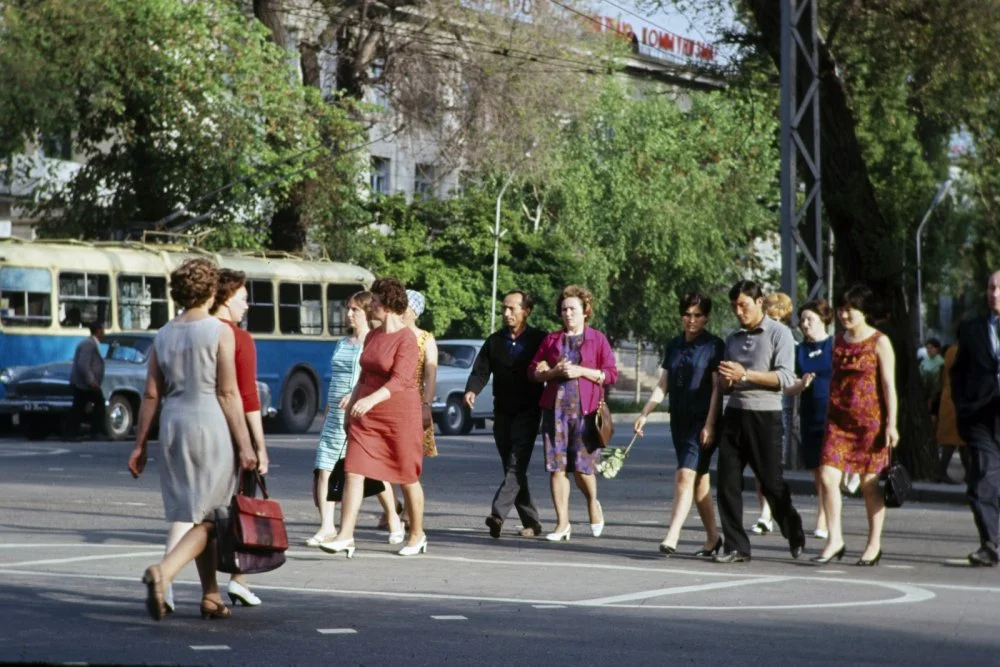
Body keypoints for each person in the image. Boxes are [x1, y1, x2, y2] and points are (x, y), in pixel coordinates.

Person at [128, 258, 257, 621]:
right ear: (212, 290)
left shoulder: (164, 333)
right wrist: (246, 446)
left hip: (173, 424)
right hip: (210, 424)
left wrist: (139, 445)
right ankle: (164, 572)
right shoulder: (220, 331)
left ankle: (210, 596)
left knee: (197, 512)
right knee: (215, 516)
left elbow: (152, 394)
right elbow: (229, 394)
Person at [320, 277, 426, 557]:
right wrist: (353, 405)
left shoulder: (407, 339)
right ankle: (345, 536)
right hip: (366, 416)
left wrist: (369, 400)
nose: (372, 306)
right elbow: (364, 375)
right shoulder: (374, 336)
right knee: (354, 471)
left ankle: (417, 534)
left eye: (376, 301)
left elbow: (400, 380)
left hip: (399, 416)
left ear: (390, 305)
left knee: (407, 476)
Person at [714, 280, 804, 563]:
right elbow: (728, 385)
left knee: (770, 483)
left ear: (760, 302)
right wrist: (728, 381)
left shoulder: (780, 334)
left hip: (765, 416)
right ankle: (736, 546)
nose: (739, 312)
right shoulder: (733, 339)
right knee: (727, 482)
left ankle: (792, 526)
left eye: (744, 305)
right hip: (734, 414)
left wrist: (745, 374)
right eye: (734, 307)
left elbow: (785, 378)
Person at [813, 284, 899, 566]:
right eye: (840, 309)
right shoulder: (837, 341)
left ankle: (874, 543)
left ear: (864, 311)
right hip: (837, 421)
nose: (844, 314)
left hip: (870, 424)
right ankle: (834, 538)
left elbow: (889, 386)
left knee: (869, 485)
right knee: (827, 476)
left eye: (850, 309)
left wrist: (891, 424)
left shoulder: (879, 342)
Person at [634, 291, 723, 556]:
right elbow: (664, 384)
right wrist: (645, 413)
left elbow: (717, 388)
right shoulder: (674, 345)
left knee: (685, 475)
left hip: (702, 420)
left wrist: (710, 424)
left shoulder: (714, 345)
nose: (691, 320)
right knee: (698, 481)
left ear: (706, 317)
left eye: (697, 315)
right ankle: (713, 538)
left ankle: (672, 534)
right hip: (679, 420)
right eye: (687, 314)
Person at [528, 285, 618, 542]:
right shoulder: (552, 340)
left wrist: (581, 371)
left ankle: (592, 502)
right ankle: (562, 524)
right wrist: (550, 372)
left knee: (582, 469)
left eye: (573, 309)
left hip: (586, 413)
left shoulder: (597, 339)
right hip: (554, 412)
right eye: (564, 309)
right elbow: (533, 370)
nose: (567, 314)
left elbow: (611, 374)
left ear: (585, 311)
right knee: (557, 468)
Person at [464, 289, 547, 539]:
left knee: (515, 464)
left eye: (512, 308)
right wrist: (471, 391)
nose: (506, 313)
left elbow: (553, 364)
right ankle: (532, 521)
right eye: (504, 308)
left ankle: (497, 515)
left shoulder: (540, 340)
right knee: (512, 468)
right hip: (502, 412)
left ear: (527, 311)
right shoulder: (495, 340)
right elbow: (481, 371)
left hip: (529, 411)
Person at [951, 270, 1000, 567]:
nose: (994, 293)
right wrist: (963, 405)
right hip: (982, 417)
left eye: (999, 288)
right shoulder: (972, 329)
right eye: (991, 287)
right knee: (983, 478)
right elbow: (958, 372)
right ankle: (991, 542)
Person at [783, 299, 835, 539]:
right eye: (802, 320)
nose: (805, 324)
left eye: (809, 319)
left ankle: (824, 519)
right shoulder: (799, 351)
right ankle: (826, 512)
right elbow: (788, 386)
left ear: (824, 319)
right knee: (818, 472)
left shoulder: (834, 346)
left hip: (834, 415)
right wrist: (801, 384)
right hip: (809, 415)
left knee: (827, 470)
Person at [936, 340, 968, 484]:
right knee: (956, 439)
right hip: (957, 399)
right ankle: (941, 471)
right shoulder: (960, 351)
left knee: (960, 440)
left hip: (950, 398)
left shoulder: (951, 350)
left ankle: (969, 473)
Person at [68, 322, 106, 440]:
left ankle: (71, 433)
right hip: (84, 384)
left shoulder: (91, 343)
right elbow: (83, 364)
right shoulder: (89, 344)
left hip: (84, 383)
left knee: (78, 407)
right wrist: (91, 381)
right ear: (98, 331)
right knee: (99, 403)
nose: (104, 333)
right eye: (103, 330)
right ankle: (95, 432)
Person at [920, 338, 945, 426]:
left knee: (934, 415)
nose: (929, 350)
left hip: (937, 392)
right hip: (925, 392)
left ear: (937, 349)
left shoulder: (941, 362)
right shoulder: (924, 362)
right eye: (927, 348)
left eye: (931, 348)